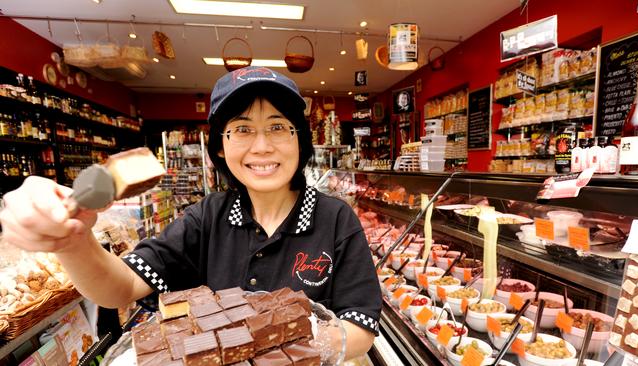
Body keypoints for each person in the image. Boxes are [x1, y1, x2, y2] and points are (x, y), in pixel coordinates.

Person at [0, 66, 381, 360]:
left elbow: (361, 326)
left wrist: (289, 351)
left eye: (279, 127)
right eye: (242, 129)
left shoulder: (335, 219)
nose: (262, 146)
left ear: (300, 139)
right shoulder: (207, 217)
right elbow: (121, 287)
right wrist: (73, 242)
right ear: (219, 148)